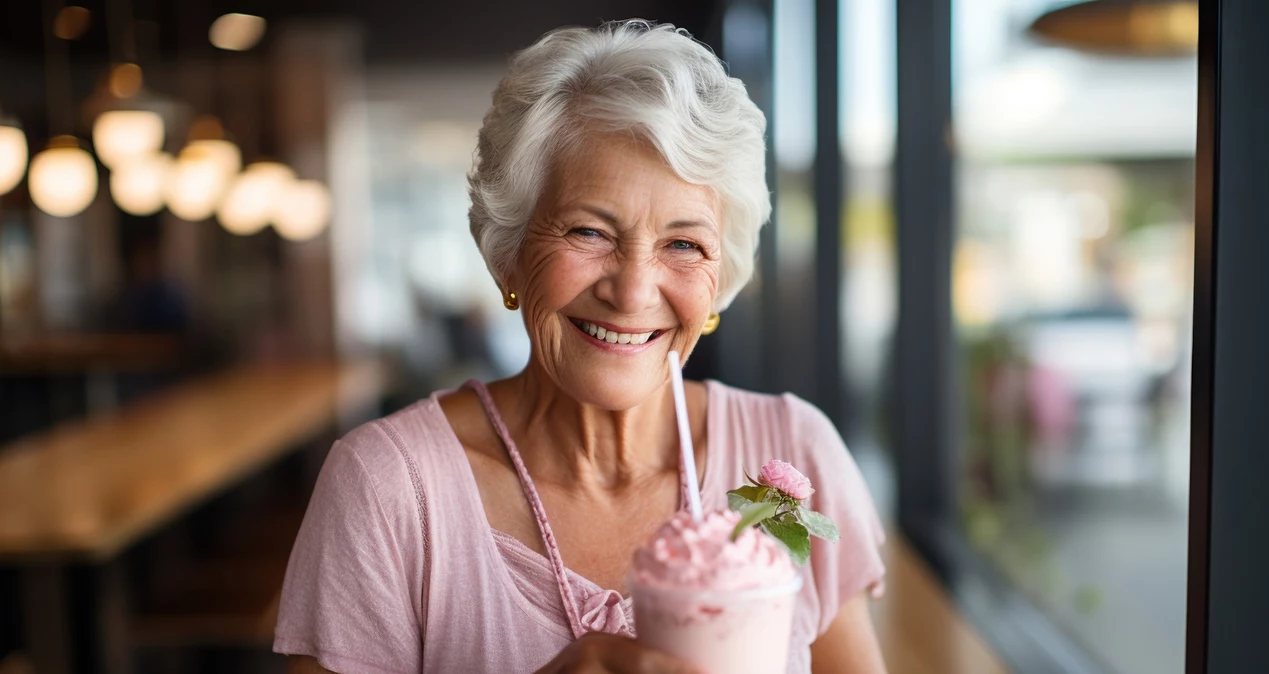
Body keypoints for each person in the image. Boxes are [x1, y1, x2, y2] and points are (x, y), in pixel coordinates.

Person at [275, 20, 888, 673]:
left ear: (719, 279)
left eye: (683, 244)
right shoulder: (389, 489)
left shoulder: (793, 460)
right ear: (510, 256)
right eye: (590, 232)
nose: (631, 292)